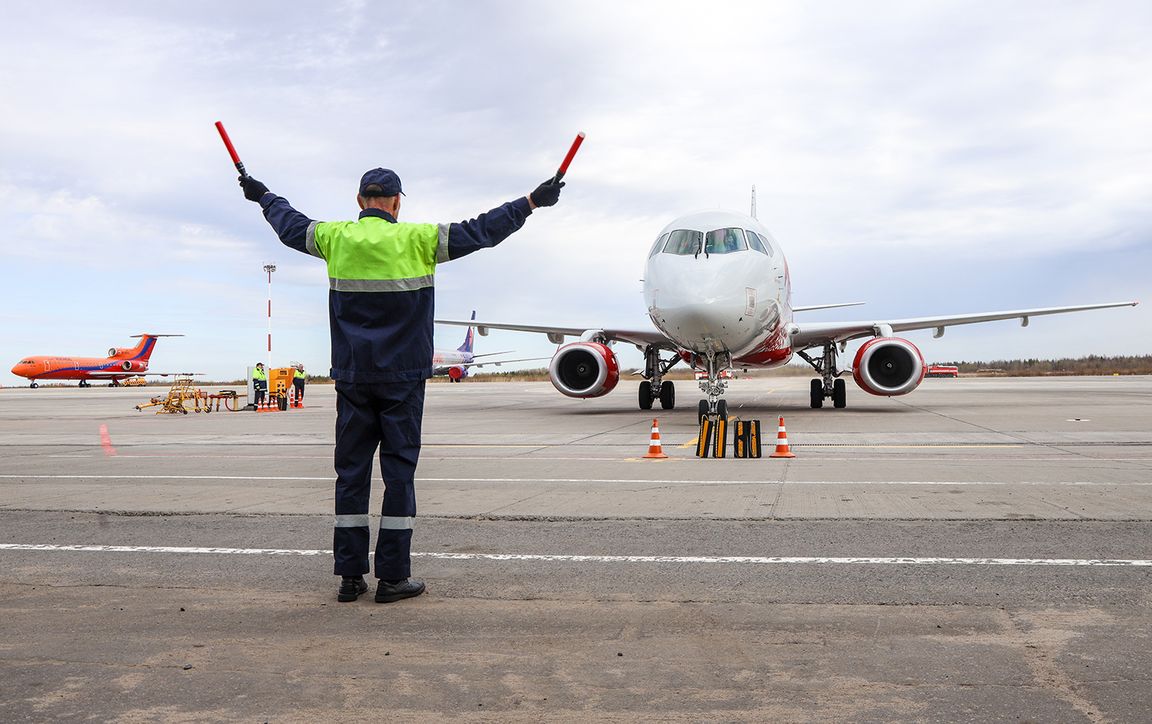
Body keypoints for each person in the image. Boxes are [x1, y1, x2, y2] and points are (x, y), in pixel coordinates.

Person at [239, 166, 563, 603]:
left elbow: (289, 224)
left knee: (350, 476)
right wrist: (531, 202)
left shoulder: (334, 238)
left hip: (353, 376)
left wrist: (262, 195)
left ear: (359, 202)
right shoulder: (421, 239)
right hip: (404, 381)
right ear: (396, 203)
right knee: (399, 477)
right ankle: (393, 578)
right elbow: (483, 230)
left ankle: (350, 577)